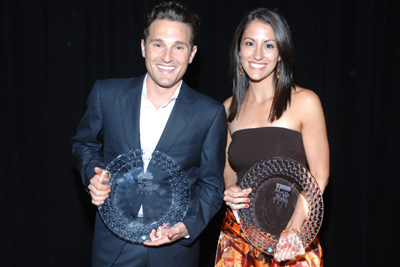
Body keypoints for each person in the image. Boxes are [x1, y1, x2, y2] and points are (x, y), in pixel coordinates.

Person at [71, 2, 227, 266]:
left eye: (178, 46)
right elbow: (83, 144)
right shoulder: (107, 95)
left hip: (174, 253)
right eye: (158, 44)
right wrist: (93, 174)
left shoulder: (209, 113)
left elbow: (211, 186)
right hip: (113, 250)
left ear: (192, 53)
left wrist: (186, 226)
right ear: (143, 46)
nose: (167, 57)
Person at [214, 8, 329, 267]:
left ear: (280, 54)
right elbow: (229, 174)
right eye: (249, 44)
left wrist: (294, 228)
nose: (257, 54)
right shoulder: (228, 110)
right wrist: (229, 191)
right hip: (239, 236)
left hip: (293, 237)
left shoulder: (305, 102)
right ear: (239, 51)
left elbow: (319, 176)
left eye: (269, 45)